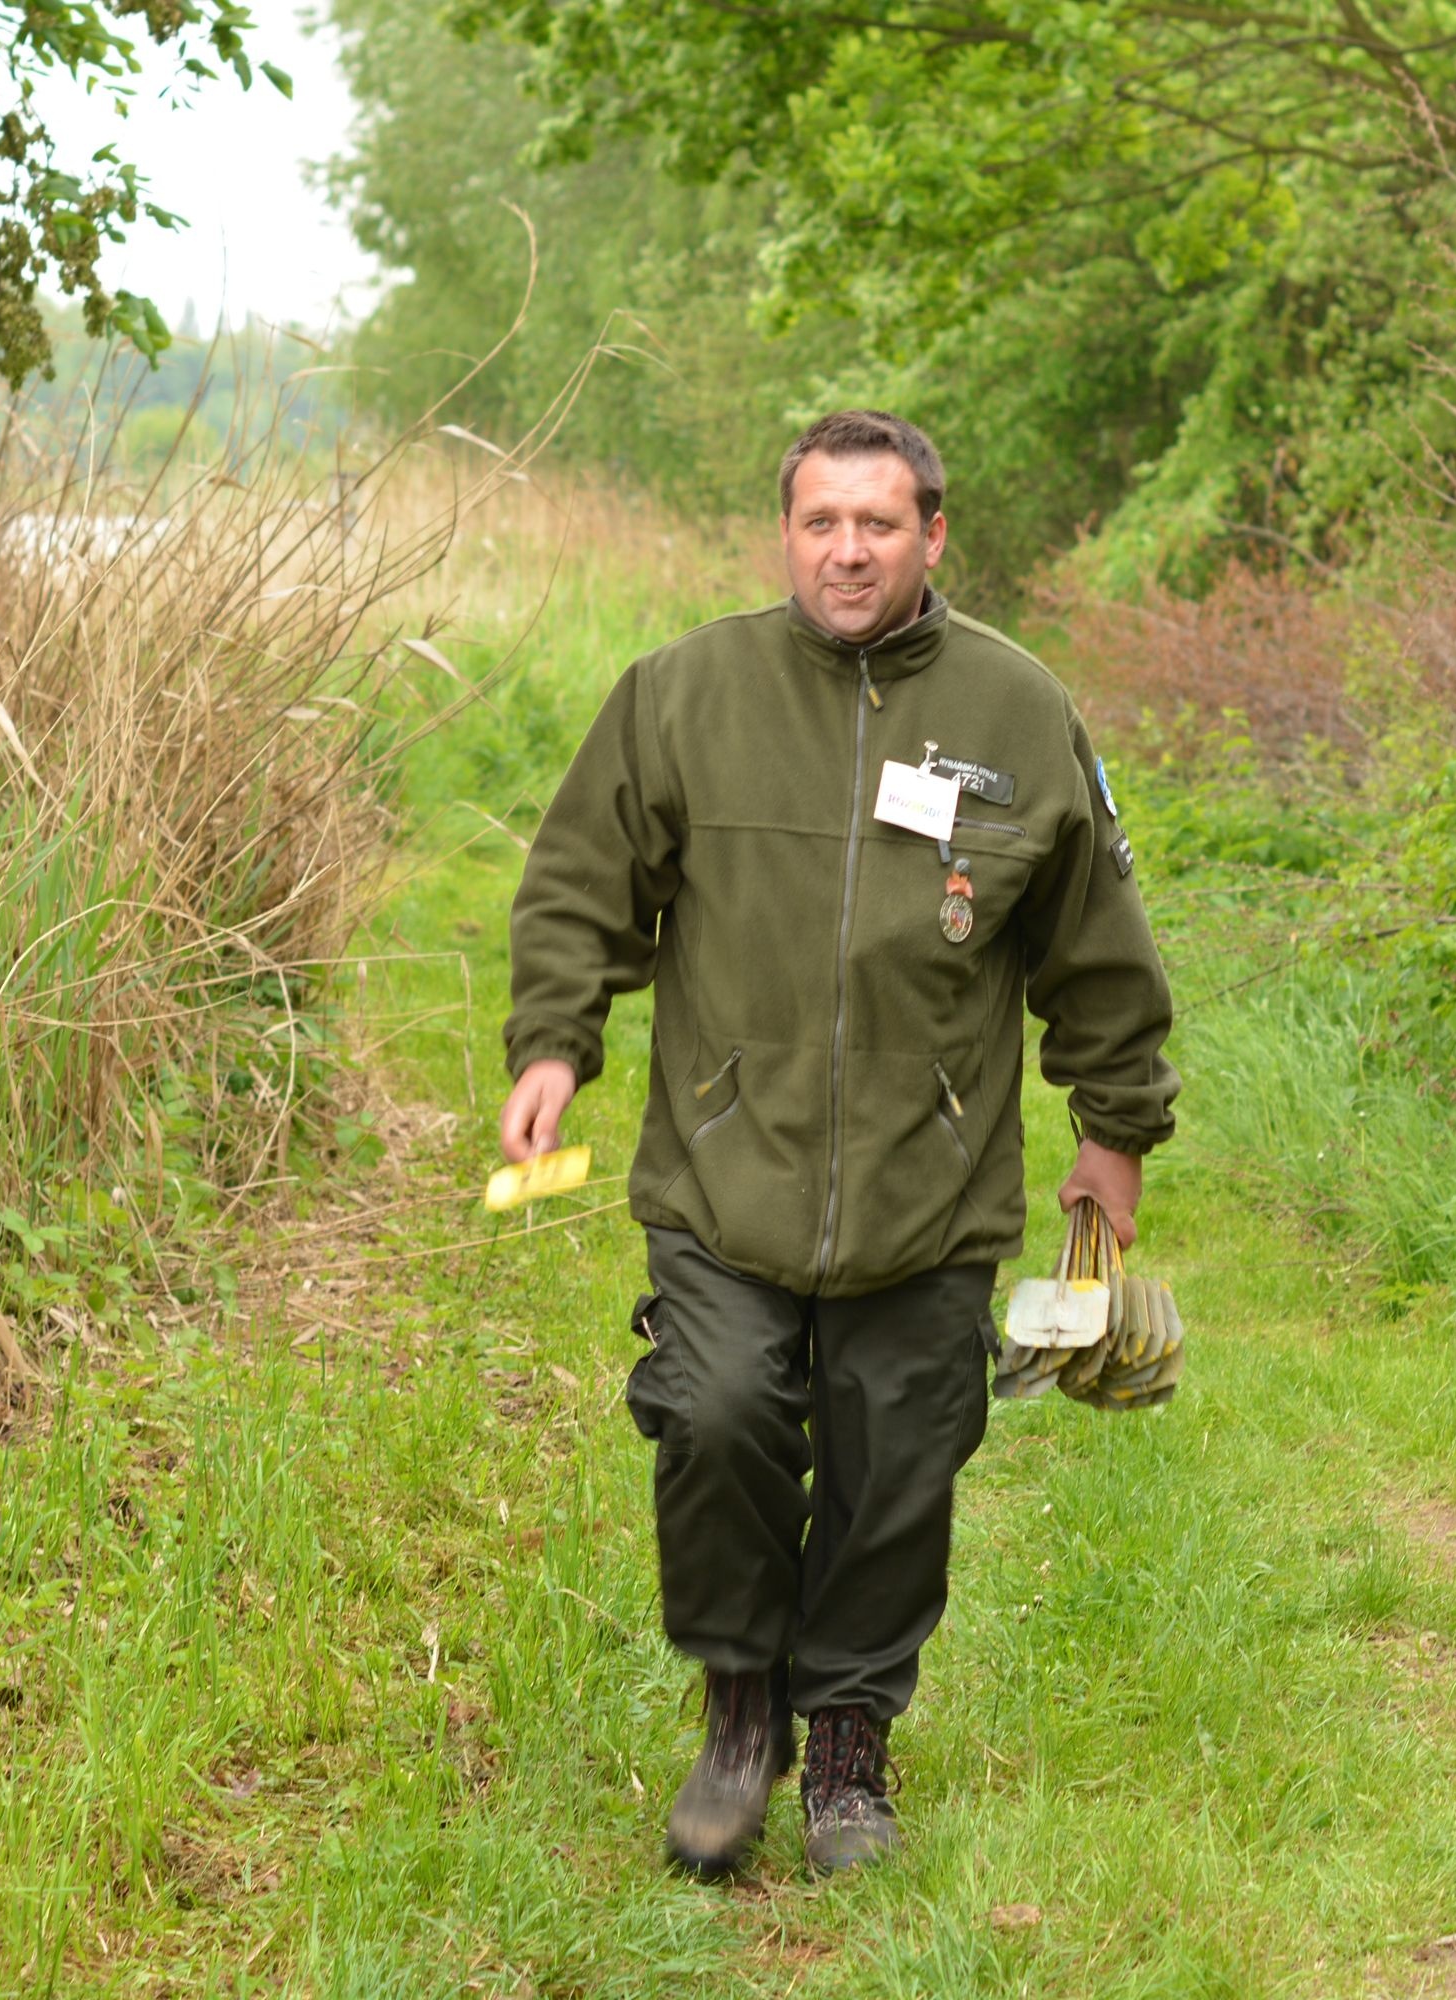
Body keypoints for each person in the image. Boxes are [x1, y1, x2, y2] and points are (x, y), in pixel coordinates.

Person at [499, 409, 1177, 1877]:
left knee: (898, 1456)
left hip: (930, 1185)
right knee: (718, 1412)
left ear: (932, 535)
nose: (848, 551)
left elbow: (1095, 943)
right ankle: (741, 1717)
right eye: (821, 522)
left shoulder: (1018, 710)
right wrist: (555, 1040)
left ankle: (852, 1748)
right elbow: (580, 882)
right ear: (786, 534)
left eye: (878, 523)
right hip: (722, 1168)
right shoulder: (684, 693)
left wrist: (1114, 1129)